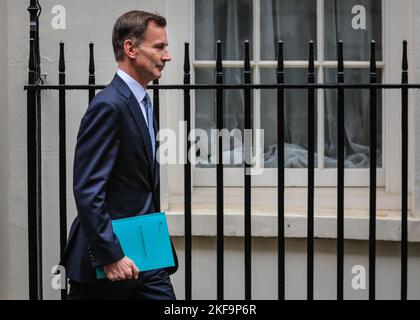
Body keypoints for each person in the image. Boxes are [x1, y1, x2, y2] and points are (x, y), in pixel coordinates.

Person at [60, 10, 178, 300]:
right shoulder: (109, 106)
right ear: (130, 48)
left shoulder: (141, 102)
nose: (168, 56)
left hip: (145, 256)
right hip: (111, 261)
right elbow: (88, 189)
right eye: (159, 47)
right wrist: (110, 255)